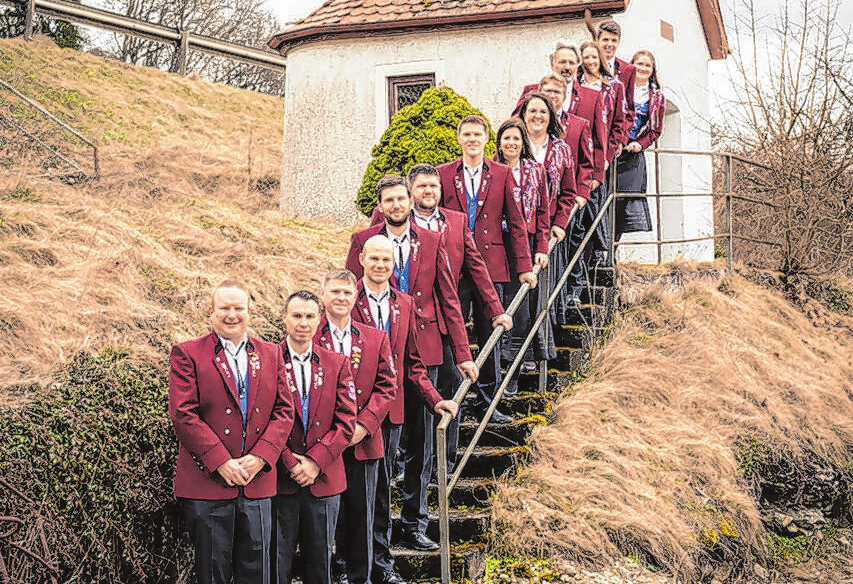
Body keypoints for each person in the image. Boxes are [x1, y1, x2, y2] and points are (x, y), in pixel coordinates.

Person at [346, 179, 472, 561]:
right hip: (370, 359)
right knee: (380, 451)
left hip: (421, 353)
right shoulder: (364, 241)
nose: (397, 204)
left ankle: (414, 523)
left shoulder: (431, 240)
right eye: (390, 200)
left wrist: (463, 352)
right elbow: (348, 292)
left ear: (410, 199)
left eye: (402, 197)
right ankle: (365, 537)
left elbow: (448, 296)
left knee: (420, 445)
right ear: (381, 206)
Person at [169, 279, 294, 584]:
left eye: (239, 308)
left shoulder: (271, 354)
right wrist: (222, 462)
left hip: (257, 482)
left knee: (259, 573)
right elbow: (183, 414)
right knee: (212, 573)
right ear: (211, 312)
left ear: (249, 311)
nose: (232, 315)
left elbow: (284, 411)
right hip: (208, 484)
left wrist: (261, 457)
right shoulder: (187, 353)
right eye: (224, 308)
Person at [351, 235, 459, 584]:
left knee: (381, 494)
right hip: (349, 415)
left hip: (390, 414)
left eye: (387, 259)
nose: (381, 265)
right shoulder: (346, 298)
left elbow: (413, 364)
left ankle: (381, 567)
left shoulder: (405, 304)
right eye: (374, 258)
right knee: (351, 496)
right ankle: (346, 566)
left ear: (394, 263)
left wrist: (433, 398)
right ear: (362, 259)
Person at [437, 115, 536, 415]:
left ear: (485, 138)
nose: (472, 139)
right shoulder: (443, 174)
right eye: (466, 134)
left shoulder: (503, 174)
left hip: (490, 265)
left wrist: (524, 267)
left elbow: (516, 223)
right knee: (452, 332)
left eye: (477, 134)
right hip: (452, 266)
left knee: (489, 332)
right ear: (459, 139)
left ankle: (487, 402)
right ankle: (453, 396)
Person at [314, 270, 396, 584]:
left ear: (355, 296)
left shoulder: (376, 338)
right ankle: (331, 573)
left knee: (363, 514)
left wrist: (364, 425)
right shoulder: (308, 334)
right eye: (335, 291)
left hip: (363, 442)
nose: (341, 298)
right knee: (324, 516)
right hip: (321, 444)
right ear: (323, 294)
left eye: (348, 293)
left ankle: (361, 577)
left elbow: (387, 386)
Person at [273, 290, 357, 584]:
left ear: (320, 320)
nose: (303, 323)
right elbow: (264, 421)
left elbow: (347, 421)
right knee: (277, 562)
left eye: (310, 316)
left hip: (324, 479)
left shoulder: (337, 363)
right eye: (296, 315)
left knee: (320, 564)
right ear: (284, 318)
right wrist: (290, 464)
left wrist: (315, 462)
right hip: (280, 480)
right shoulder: (266, 360)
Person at [493, 118, 551, 382]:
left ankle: (519, 358)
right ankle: (498, 358)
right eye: (506, 138)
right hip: (496, 242)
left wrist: (541, 246)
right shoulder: (490, 170)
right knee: (500, 299)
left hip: (524, 242)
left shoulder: (535, 170)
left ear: (523, 142)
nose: (511, 143)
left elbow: (543, 212)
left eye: (516, 138)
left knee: (523, 302)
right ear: (499, 142)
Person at [517, 92, 583, 309]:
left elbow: (568, 192)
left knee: (546, 287)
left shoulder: (562, 150)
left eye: (543, 112)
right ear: (523, 115)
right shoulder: (512, 145)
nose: (538, 116)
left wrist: (560, 223)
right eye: (532, 111)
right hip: (519, 229)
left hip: (549, 228)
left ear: (551, 116)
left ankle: (544, 335)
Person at [577, 39, 630, 266]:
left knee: (596, 199)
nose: (590, 61)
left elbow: (621, 121)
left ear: (600, 58)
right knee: (580, 204)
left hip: (600, 152)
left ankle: (601, 252)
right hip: (577, 149)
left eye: (593, 56)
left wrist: (608, 156)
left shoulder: (614, 86)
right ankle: (588, 252)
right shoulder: (573, 85)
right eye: (586, 57)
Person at [615, 49, 666, 243]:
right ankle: (596, 254)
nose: (643, 68)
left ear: (652, 70)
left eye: (647, 65)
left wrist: (640, 144)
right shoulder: (619, 88)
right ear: (631, 65)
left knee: (624, 204)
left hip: (632, 154)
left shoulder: (657, 98)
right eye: (639, 63)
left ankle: (613, 251)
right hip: (614, 149)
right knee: (606, 201)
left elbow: (655, 130)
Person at [593, 18, 637, 139]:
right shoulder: (585, 66)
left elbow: (629, 110)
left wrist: (621, 140)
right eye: (605, 40)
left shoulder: (628, 70)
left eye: (614, 40)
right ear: (597, 40)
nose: (610, 44)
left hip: (612, 138)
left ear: (619, 42)